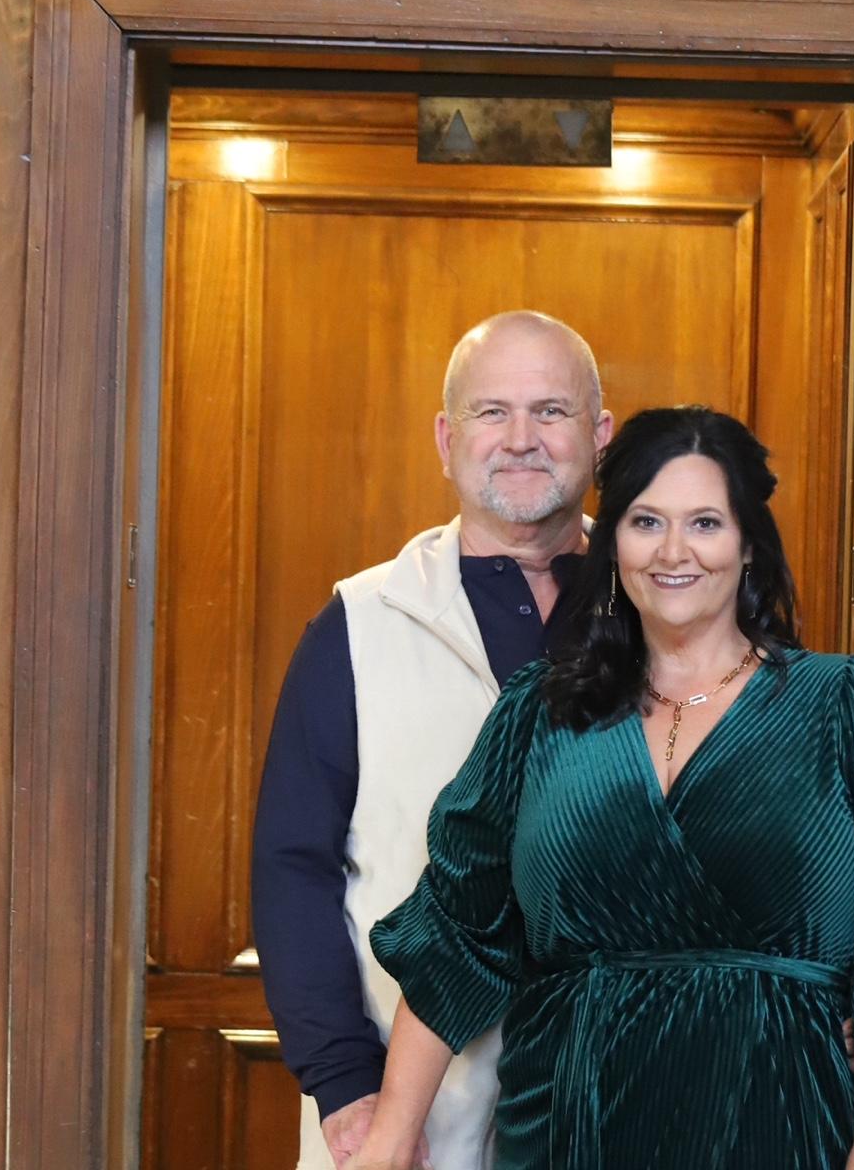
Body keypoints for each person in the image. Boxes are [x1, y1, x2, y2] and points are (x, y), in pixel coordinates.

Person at [355, 406, 854, 1170]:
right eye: (647, 522)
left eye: (705, 523)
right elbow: (457, 931)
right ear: (613, 543)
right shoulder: (539, 714)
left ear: (748, 544)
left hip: (781, 1127)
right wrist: (389, 1140)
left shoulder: (846, 707)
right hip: (567, 1132)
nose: (674, 551)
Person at [251, 311, 613, 1170]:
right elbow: (294, 867)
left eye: (551, 411)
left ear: (600, 436)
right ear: (447, 440)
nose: (520, 439)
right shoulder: (359, 622)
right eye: (492, 412)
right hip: (406, 1121)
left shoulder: (666, 610)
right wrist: (346, 1088)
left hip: (614, 1106)